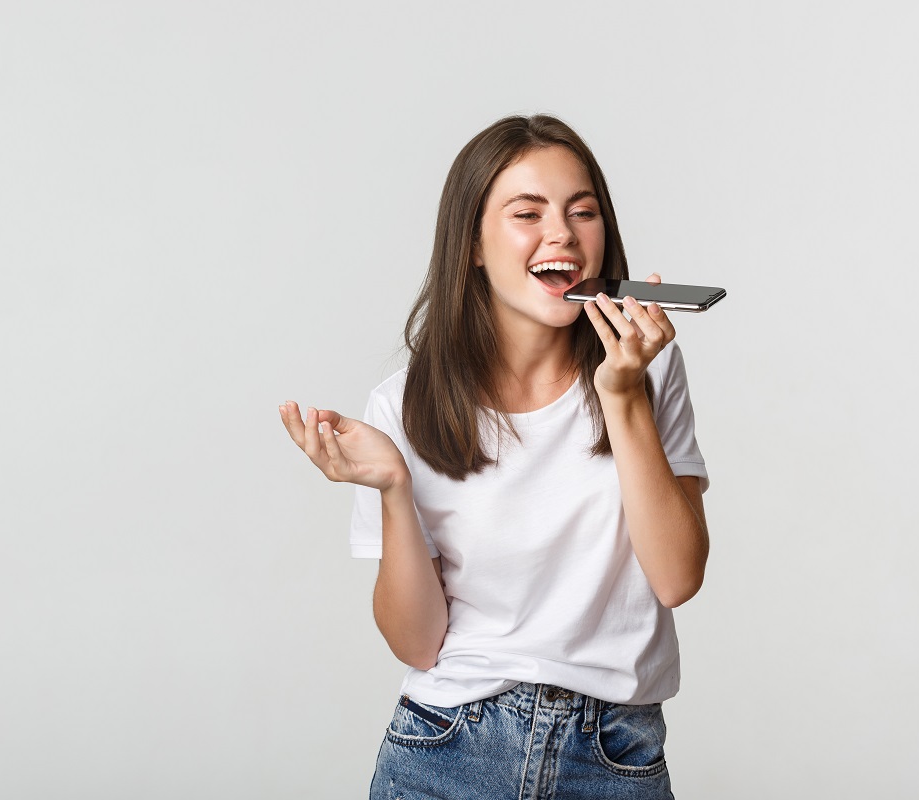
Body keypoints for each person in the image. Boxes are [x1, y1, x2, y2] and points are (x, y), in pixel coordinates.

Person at [279, 114, 709, 800]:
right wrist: (393, 488)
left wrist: (624, 397)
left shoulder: (648, 370)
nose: (563, 233)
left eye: (583, 211)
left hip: (614, 755)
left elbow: (678, 578)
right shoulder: (405, 404)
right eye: (527, 212)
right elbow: (418, 645)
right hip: (446, 749)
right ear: (473, 245)